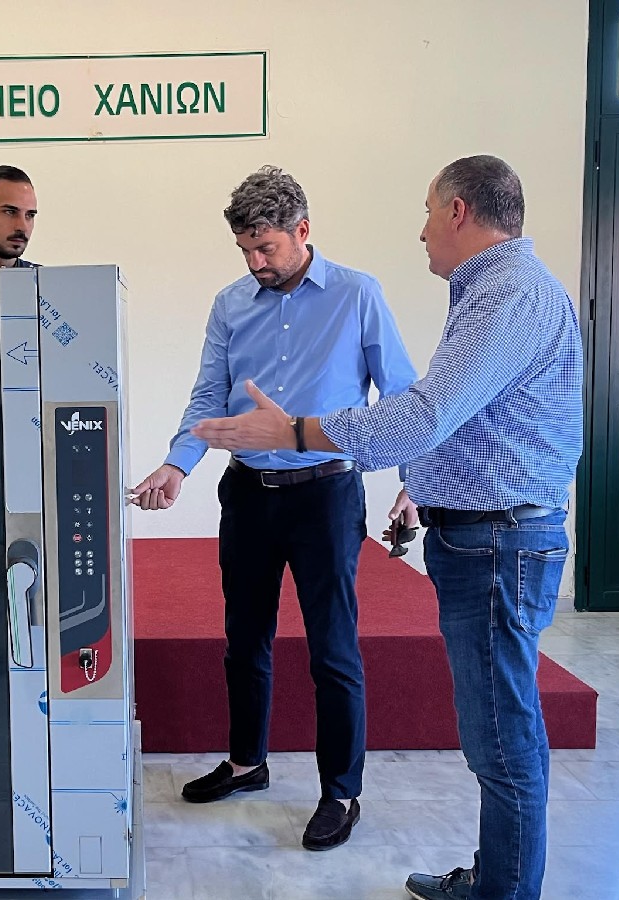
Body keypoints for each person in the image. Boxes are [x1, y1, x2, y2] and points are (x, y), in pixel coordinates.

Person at [190, 155, 583, 900]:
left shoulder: (505, 295)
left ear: (459, 211)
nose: (422, 230)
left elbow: (423, 413)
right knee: (495, 736)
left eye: (429, 211)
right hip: (474, 533)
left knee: (501, 740)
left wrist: (297, 432)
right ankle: (496, 879)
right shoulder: (497, 292)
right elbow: (451, 416)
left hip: (488, 536)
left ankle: (492, 885)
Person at [130, 165, 417, 851]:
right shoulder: (231, 304)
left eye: (266, 248)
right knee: (244, 638)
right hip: (248, 493)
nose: (255, 263)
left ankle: (341, 792)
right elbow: (209, 395)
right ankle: (246, 762)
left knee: (332, 649)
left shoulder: (357, 295)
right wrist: (177, 464)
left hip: (326, 494)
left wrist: (414, 485)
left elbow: (403, 397)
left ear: (303, 230)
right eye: (245, 250)